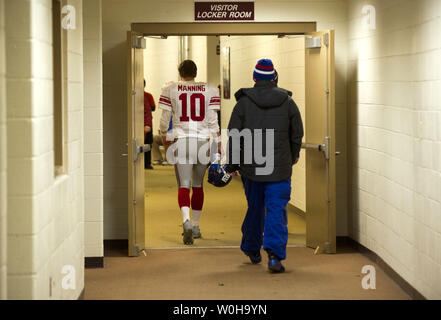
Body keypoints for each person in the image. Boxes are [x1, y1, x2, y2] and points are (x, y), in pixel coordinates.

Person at [225, 59, 304, 273]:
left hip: (252, 168)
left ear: (254, 78)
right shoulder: (288, 103)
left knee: (255, 208)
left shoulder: (242, 103)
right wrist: (294, 154)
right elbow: (297, 133)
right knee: (276, 210)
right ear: (274, 78)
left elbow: (234, 136)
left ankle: (251, 248)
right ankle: (274, 256)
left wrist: (232, 164)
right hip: (279, 169)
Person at [158, 60, 222, 245]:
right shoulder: (209, 89)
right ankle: (195, 226)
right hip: (203, 142)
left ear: (180, 73)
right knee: (198, 185)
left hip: (182, 141)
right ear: (196, 72)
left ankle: (185, 220)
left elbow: (164, 120)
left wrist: (165, 137)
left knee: (183, 185)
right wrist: (217, 142)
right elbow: (212, 121)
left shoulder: (171, 89)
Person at [144, 79, 156, 170]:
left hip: (147, 123)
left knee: (148, 144)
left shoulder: (148, 96)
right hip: (144, 122)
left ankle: (147, 163)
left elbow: (152, 108)